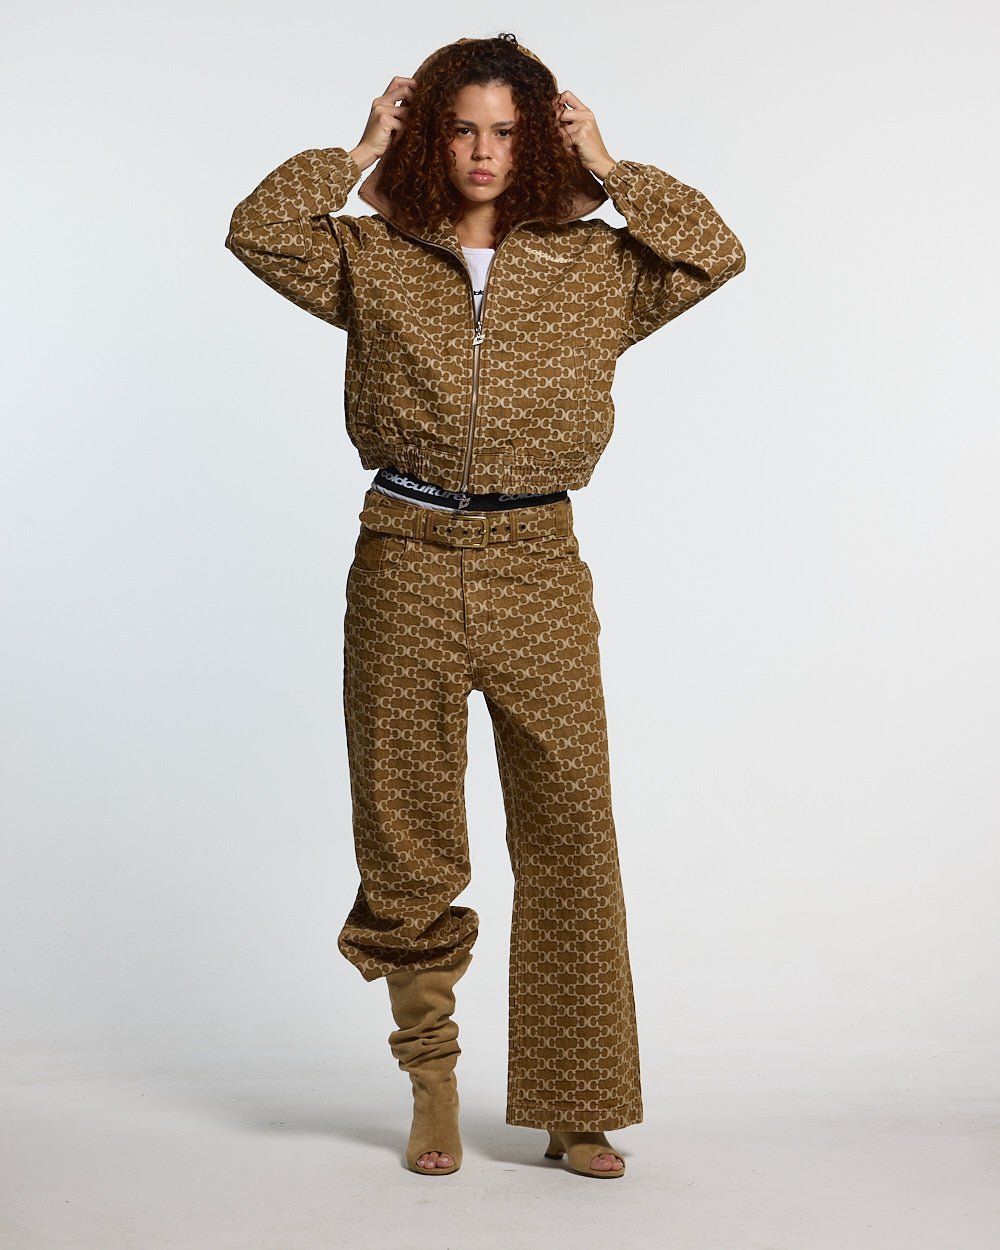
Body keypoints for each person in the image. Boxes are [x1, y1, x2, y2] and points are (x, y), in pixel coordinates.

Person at [225, 32, 745, 1180]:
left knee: (569, 825)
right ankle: (432, 1080)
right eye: (460, 128)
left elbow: (714, 251)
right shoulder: (370, 255)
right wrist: (357, 152)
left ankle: (577, 1103)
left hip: (535, 559)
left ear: (536, 139)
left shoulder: (595, 266)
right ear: (430, 134)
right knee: (407, 830)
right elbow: (258, 229)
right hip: (403, 552)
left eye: (506, 131)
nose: (481, 151)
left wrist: (609, 166)